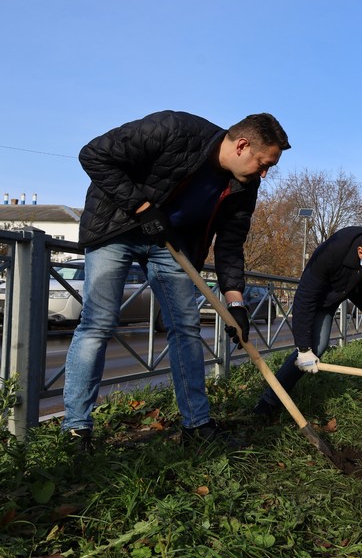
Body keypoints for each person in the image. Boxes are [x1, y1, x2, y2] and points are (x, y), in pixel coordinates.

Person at [62, 111, 291, 451]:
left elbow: (230, 242)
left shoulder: (245, 185)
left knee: (185, 327)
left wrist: (235, 302)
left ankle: (196, 425)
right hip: (117, 228)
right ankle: (77, 429)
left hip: (172, 244)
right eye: (263, 163)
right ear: (242, 145)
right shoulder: (175, 130)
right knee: (99, 323)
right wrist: (141, 207)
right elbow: (94, 154)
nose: (264, 172)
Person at [252, 226, 362, 435]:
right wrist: (303, 348)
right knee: (316, 346)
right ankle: (270, 400)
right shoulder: (333, 250)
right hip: (330, 291)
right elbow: (305, 297)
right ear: (361, 253)